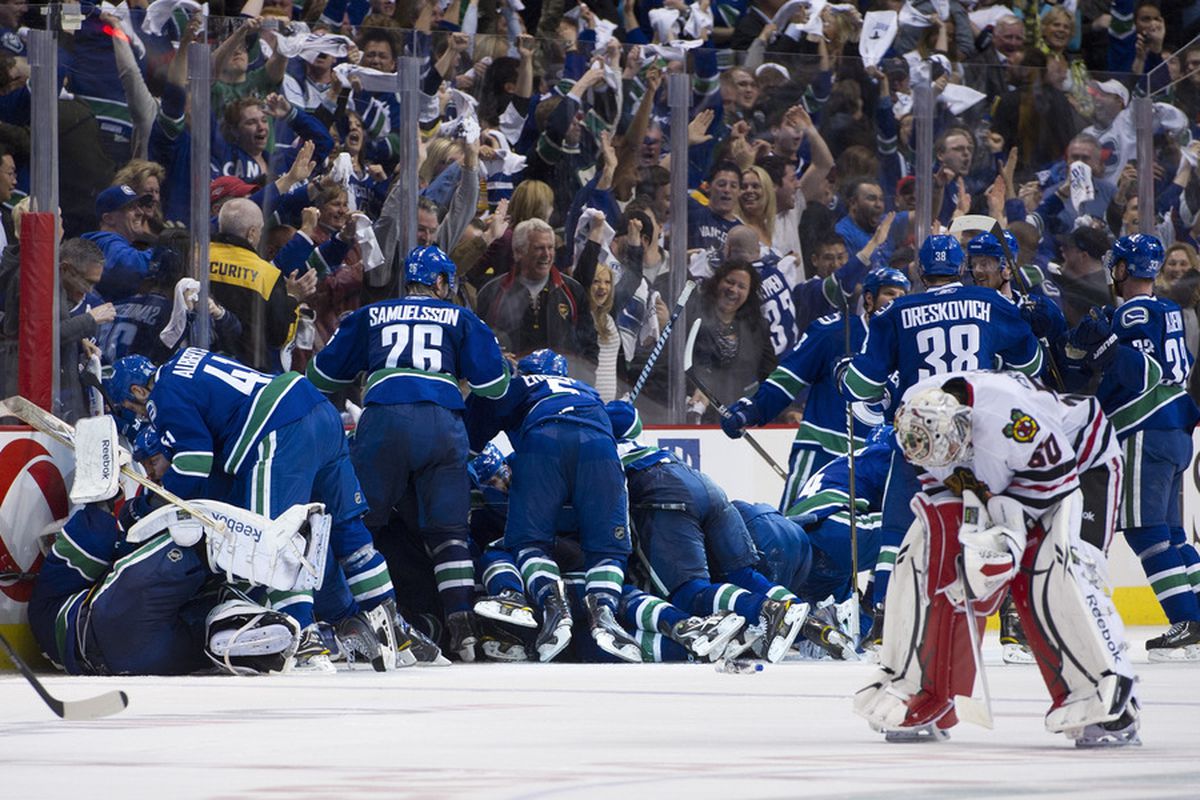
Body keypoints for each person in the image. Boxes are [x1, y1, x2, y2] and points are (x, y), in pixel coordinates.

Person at [856, 370, 1140, 748]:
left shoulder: (1010, 419)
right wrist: (973, 551)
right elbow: (946, 486)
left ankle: (1112, 700)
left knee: (1062, 568)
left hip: (1082, 463)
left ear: (962, 425)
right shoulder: (918, 419)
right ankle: (926, 689)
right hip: (1009, 475)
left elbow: (1053, 484)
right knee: (925, 557)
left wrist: (1005, 541)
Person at [105, 349, 409, 672]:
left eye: (131, 406)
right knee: (349, 533)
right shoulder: (184, 360)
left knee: (273, 544)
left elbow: (193, 461)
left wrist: (154, 503)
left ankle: (305, 639)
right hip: (318, 410)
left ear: (138, 390)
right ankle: (392, 627)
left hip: (279, 428)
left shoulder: (162, 394)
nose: (140, 413)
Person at [308, 245, 512, 662]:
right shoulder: (461, 317)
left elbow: (322, 375)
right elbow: (496, 387)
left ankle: (350, 620)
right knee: (449, 532)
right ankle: (462, 628)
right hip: (443, 423)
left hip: (384, 421)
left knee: (361, 524)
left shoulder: (371, 314)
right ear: (439, 283)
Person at [841, 235, 1043, 647]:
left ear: (919, 271)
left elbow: (862, 383)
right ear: (961, 269)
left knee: (898, 525)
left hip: (921, 429)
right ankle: (1011, 621)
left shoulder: (897, 309)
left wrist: (844, 377)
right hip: (977, 428)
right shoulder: (989, 303)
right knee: (998, 520)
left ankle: (884, 615)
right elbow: (1031, 363)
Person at [464, 349, 640, 663]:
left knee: (529, 544)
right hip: (600, 446)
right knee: (608, 549)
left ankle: (550, 602)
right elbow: (631, 421)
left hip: (543, 442)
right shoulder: (586, 391)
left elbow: (473, 428)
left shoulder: (520, 385)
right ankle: (604, 611)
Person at [605, 399, 813, 664]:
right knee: (743, 574)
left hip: (661, 492)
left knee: (689, 592)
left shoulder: (605, 454)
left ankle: (766, 611)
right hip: (705, 485)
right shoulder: (648, 447)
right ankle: (800, 614)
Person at [28, 497, 301, 676]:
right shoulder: (47, 598)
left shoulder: (47, 629)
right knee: (189, 537)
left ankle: (234, 628)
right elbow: (94, 534)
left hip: (134, 656)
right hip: (118, 626)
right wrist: (103, 500)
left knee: (207, 612)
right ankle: (231, 582)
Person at [1085, 234, 1200, 659]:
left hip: (1144, 428)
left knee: (1145, 530)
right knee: (1172, 533)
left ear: (1122, 269)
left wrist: (1103, 348)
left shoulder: (1132, 311)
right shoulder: (1171, 309)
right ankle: (1197, 617)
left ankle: (1185, 623)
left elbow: (1138, 374)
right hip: (1176, 430)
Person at [723, 268, 909, 512]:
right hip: (822, 452)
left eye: (902, 295)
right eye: (889, 293)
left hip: (876, 462)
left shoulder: (909, 346)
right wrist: (753, 409)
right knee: (793, 534)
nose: (896, 300)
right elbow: (788, 378)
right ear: (869, 299)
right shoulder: (833, 332)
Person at [685, 259, 776, 424]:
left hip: (739, 418)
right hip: (695, 416)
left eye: (742, 286)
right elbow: (677, 364)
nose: (733, 290)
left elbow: (769, 374)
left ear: (749, 293)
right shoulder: (692, 315)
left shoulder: (757, 327)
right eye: (730, 282)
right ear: (717, 282)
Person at [83, 185, 156, 302]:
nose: (141, 212)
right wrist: (172, 252)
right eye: (131, 208)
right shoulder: (104, 241)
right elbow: (127, 266)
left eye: (139, 206)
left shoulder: (118, 244)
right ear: (109, 218)